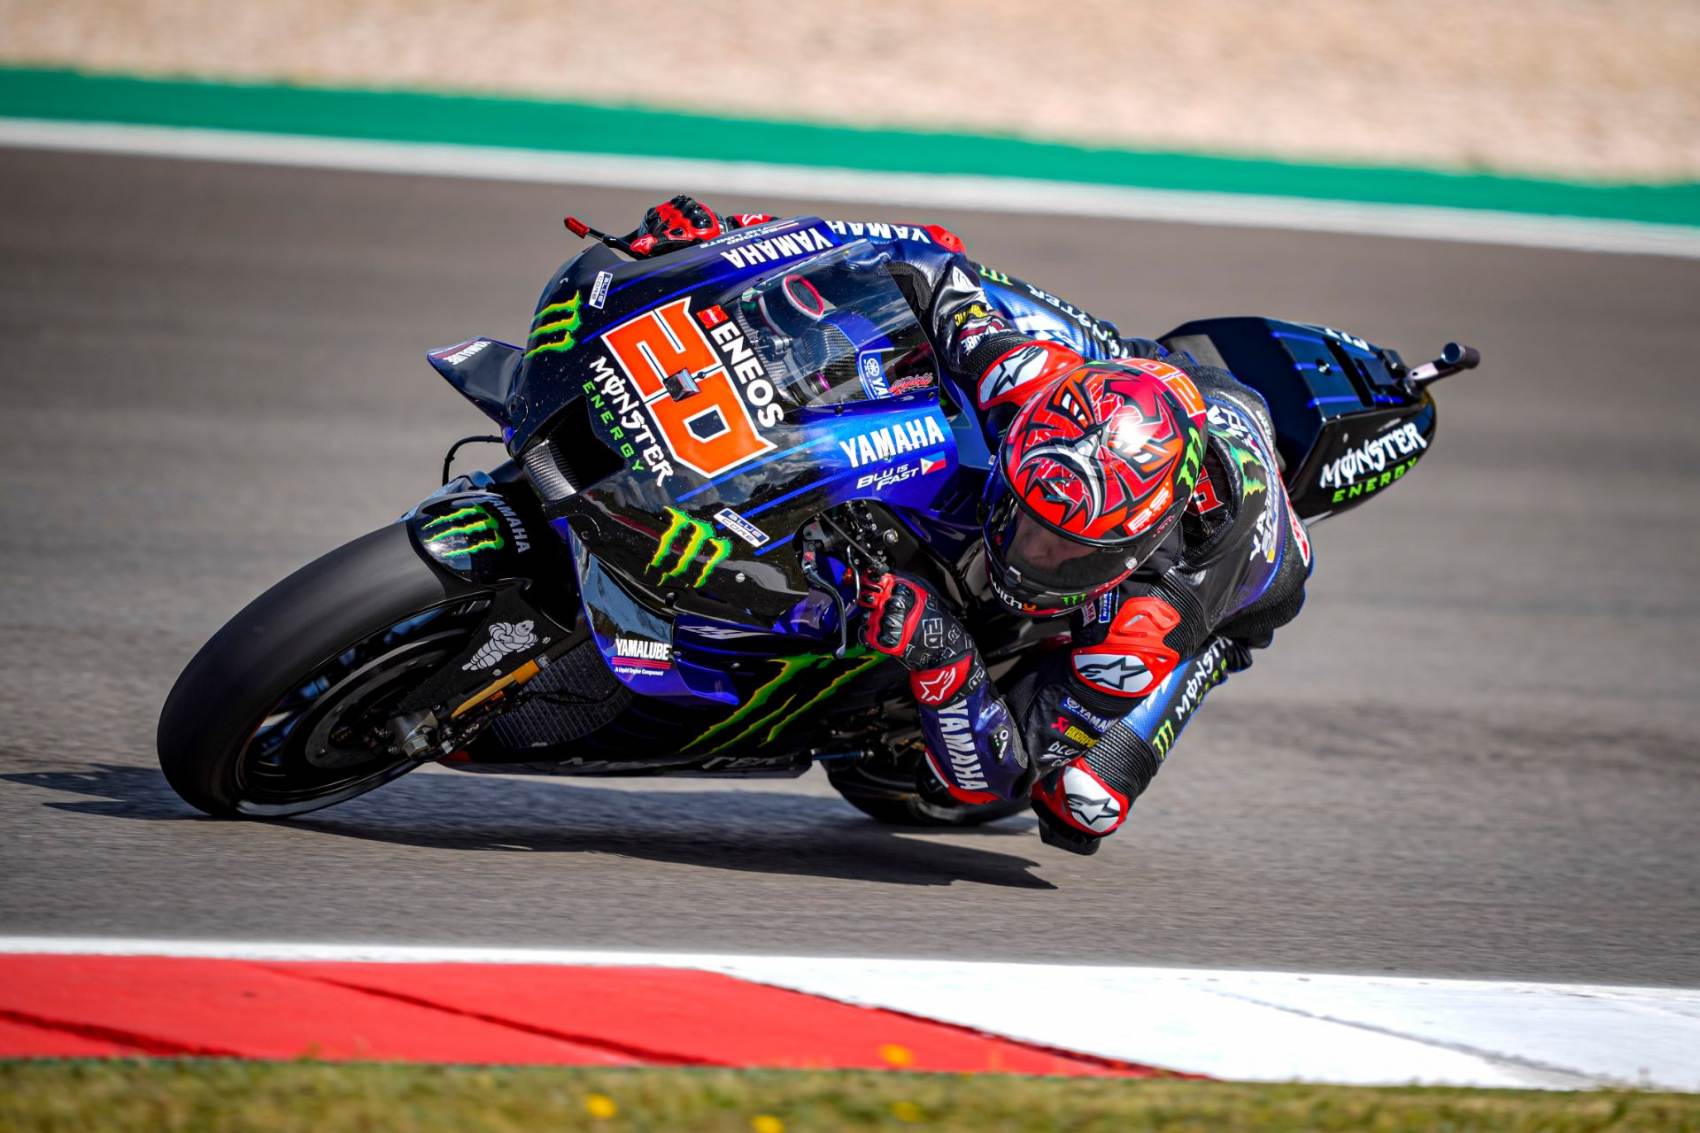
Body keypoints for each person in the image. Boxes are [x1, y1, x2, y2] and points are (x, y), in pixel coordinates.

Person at [622, 196, 1313, 855]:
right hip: (1146, 383)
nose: (1029, 556)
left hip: (1237, 580)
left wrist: (943, 655)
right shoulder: (1027, 383)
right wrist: (730, 237)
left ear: (1131, 548)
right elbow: (918, 256)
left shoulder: (1146, 621)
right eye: (1025, 520)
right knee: (948, 305)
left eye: (1064, 552)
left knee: (1082, 799)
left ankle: (1214, 654)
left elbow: (998, 777)